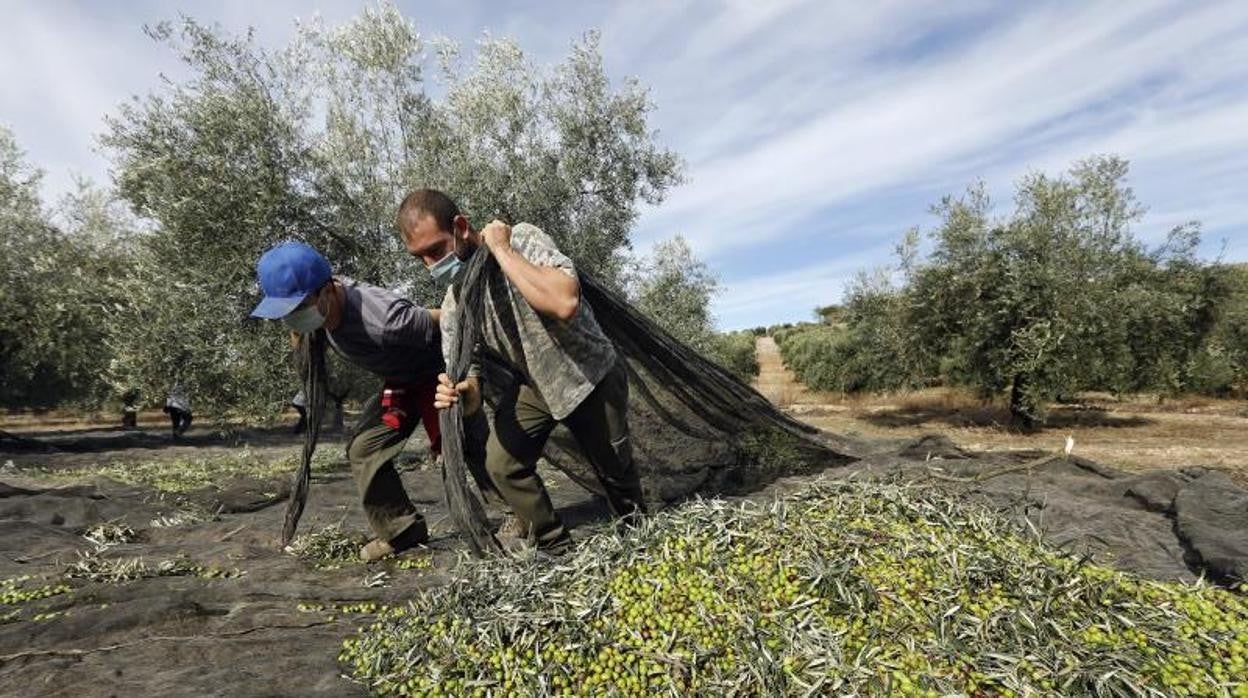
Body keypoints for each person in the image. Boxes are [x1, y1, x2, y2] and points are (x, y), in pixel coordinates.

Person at [398, 188, 646, 556]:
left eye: (435, 250)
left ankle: (638, 537)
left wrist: (501, 250)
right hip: (538, 387)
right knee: (502, 464)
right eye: (420, 258)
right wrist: (461, 394)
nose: (431, 265)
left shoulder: (522, 239)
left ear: (461, 227)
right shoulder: (456, 305)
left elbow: (563, 302)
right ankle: (557, 548)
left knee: (615, 471)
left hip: (589, 374)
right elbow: (473, 388)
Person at [250, 241, 496, 561]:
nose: (293, 319)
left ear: (327, 292)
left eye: (297, 310)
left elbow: (445, 319)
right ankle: (401, 529)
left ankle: (520, 515)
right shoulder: (321, 309)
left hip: (438, 372)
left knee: (461, 447)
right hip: (401, 382)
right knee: (365, 449)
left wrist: (468, 379)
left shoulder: (387, 320)